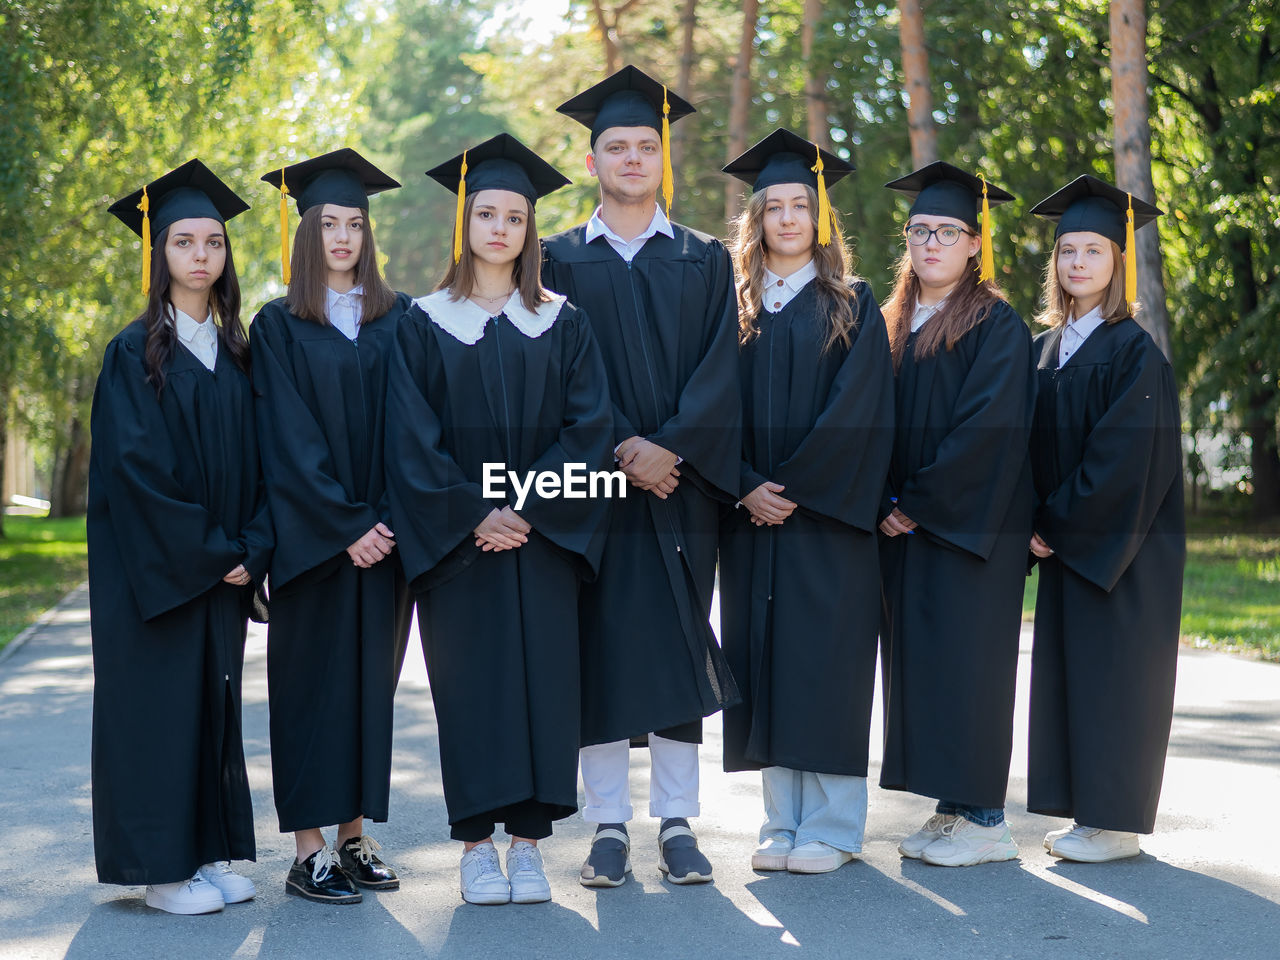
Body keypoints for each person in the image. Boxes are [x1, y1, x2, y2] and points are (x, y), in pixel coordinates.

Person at [385, 133, 614, 905]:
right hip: (463, 549)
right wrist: (476, 511)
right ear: (465, 223)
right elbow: (410, 437)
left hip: (542, 541)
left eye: (514, 218)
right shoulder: (425, 321)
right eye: (486, 214)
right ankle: (477, 848)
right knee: (473, 689)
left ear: (529, 232)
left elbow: (589, 429)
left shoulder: (562, 320)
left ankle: (529, 846)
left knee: (545, 689)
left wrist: (527, 507)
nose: (500, 230)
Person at [542, 65, 743, 887]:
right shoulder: (552, 258)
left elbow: (720, 369)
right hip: (594, 491)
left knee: (675, 648)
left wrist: (671, 449)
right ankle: (607, 827)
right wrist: (624, 447)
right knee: (594, 648)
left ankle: (677, 821)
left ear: (663, 158)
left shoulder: (704, 259)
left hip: (682, 488)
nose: (631, 158)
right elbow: (551, 375)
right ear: (592, 161)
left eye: (644, 146)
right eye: (616, 146)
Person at [92, 160, 272, 914]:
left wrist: (254, 544)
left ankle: (202, 855)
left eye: (213, 242)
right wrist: (216, 553)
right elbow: (139, 474)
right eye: (183, 242)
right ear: (158, 254)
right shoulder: (134, 353)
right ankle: (161, 872)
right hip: (160, 575)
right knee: (159, 710)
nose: (201, 256)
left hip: (222, 570)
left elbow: (268, 460)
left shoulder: (235, 351)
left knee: (210, 705)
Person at [718, 129, 894, 874]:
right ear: (754, 221)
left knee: (825, 662)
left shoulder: (853, 304)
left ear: (820, 218)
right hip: (753, 518)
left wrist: (785, 488)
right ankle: (781, 822)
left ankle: (833, 827)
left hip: (827, 523)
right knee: (766, 660)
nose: (788, 218)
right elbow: (710, 407)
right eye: (774, 207)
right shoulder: (733, 308)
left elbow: (861, 413)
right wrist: (741, 483)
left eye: (801, 205)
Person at [252, 149, 414, 903]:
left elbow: (411, 430)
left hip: (385, 544)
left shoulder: (399, 318)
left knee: (367, 691)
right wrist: (347, 523)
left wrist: (383, 523)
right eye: (329, 223)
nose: (343, 237)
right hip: (317, 545)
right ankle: (308, 849)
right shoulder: (279, 327)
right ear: (306, 233)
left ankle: (353, 839)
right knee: (311, 689)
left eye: (355, 223)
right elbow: (287, 439)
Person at [878, 162, 1035, 867]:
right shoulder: (892, 320)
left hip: (972, 528)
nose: (932, 242)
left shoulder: (995, 324)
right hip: (905, 526)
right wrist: (879, 500)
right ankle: (951, 807)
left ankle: (986, 818)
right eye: (920, 230)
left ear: (976, 243)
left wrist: (914, 504)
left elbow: (987, 431)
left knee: (970, 665)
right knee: (926, 666)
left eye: (948, 232)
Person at [1026, 175, 1184, 862]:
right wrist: (1030, 518)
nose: (1079, 263)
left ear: (1119, 263)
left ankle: (1116, 822)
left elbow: (1121, 464)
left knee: (1116, 670)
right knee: (1073, 671)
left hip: (1123, 545)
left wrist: (1052, 524)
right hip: (1067, 540)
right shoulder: (1048, 349)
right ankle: (1088, 813)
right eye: (1068, 251)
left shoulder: (1132, 352)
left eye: (1094, 251)